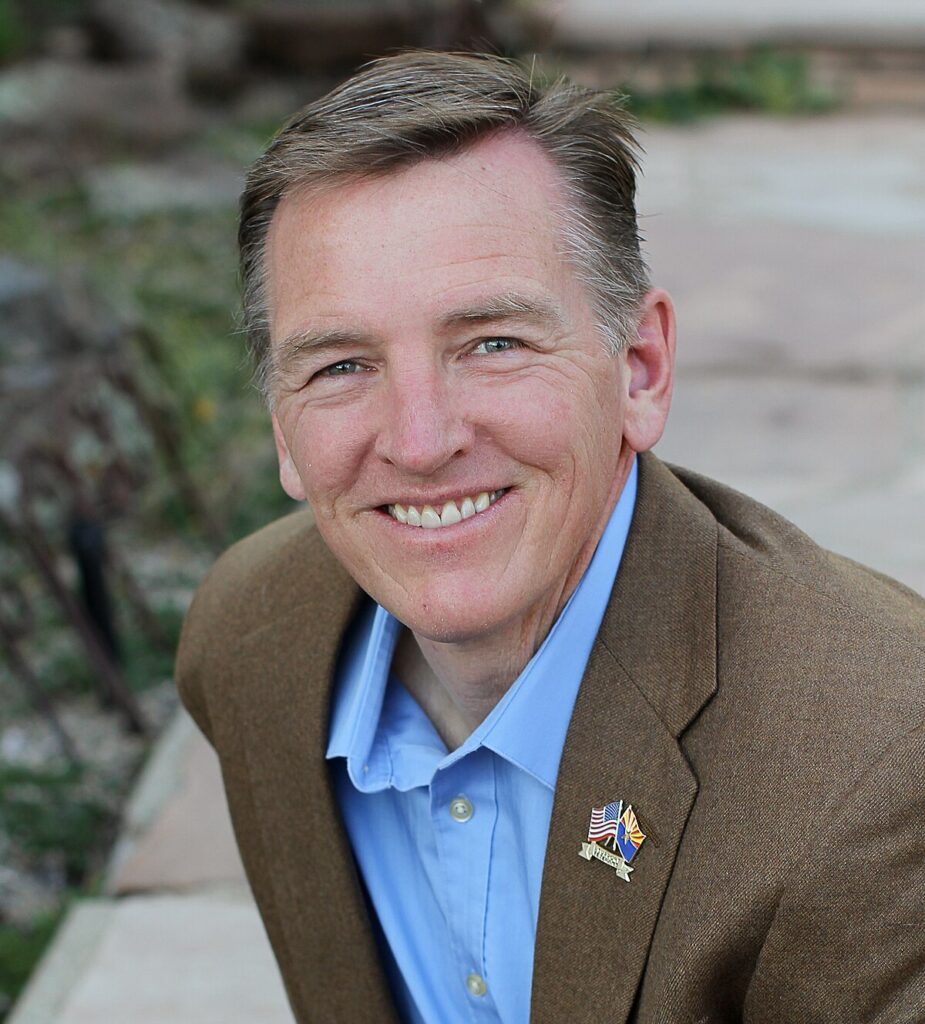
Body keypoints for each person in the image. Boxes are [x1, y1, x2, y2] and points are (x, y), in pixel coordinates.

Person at [176, 51, 925, 1024]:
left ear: (641, 368)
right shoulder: (246, 644)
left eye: (492, 343)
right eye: (341, 365)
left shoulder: (873, 766)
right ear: (282, 426)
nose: (419, 439)